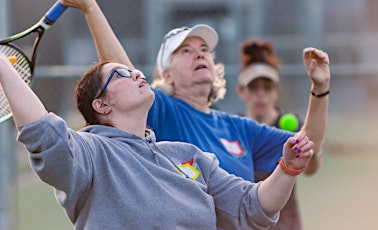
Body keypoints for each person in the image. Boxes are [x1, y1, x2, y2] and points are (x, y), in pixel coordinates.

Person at [0, 55, 315, 229]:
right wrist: (2, 65)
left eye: (134, 70)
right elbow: (44, 133)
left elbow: (253, 206)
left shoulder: (188, 155)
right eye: (121, 75)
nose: (136, 73)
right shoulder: (92, 152)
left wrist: (287, 168)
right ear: (101, 105)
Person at [61, 0, 329, 186]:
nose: (200, 53)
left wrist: (319, 88)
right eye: (185, 51)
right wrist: (90, 8)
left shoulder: (239, 128)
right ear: (166, 75)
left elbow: (308, 145)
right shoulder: (162, 110)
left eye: (203, 49)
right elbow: (121, 77)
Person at [236, 38, 311, 230]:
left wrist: (320, 90)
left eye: (267, 87)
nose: (260, 94)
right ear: (241, 91)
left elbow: (313, 164)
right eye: (253, 88)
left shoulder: (289, 128)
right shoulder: (233, 127)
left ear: (276, 90)